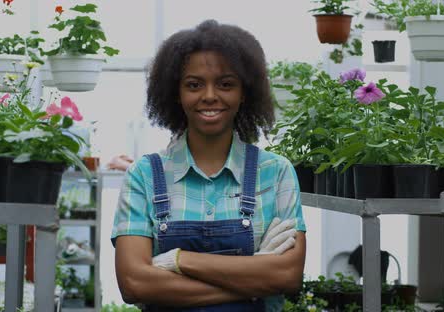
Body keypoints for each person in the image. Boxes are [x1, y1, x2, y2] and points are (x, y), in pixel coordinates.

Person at [111, 19, 306, 311]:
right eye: (194, 85)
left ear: (244, 93)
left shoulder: (275, 173)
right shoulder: (144, 176)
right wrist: (253, 280)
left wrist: (177, 260)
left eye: (226, 84)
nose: (210, 95)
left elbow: (288, 276)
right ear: (176, 94)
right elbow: (134, 284)